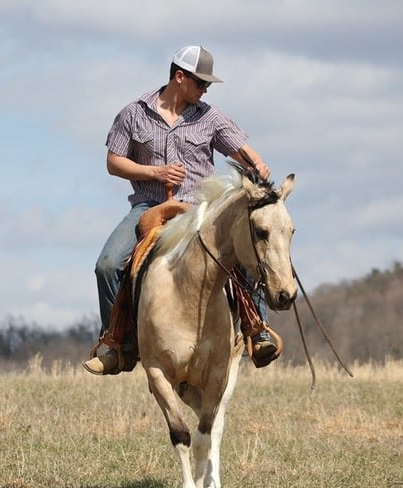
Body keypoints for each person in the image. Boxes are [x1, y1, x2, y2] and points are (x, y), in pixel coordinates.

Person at [83, 45, 279, 375]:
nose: (205, 90)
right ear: (179, 77)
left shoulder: (210, 116)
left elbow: (241, 149)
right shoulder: (133, 113)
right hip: (150, 207)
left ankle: (256, 329)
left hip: (201, 208)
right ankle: (119, 342)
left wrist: (257, 163)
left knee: (244, 247)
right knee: (107, 265)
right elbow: (113, 162)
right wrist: (154, 173)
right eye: (201, 83)